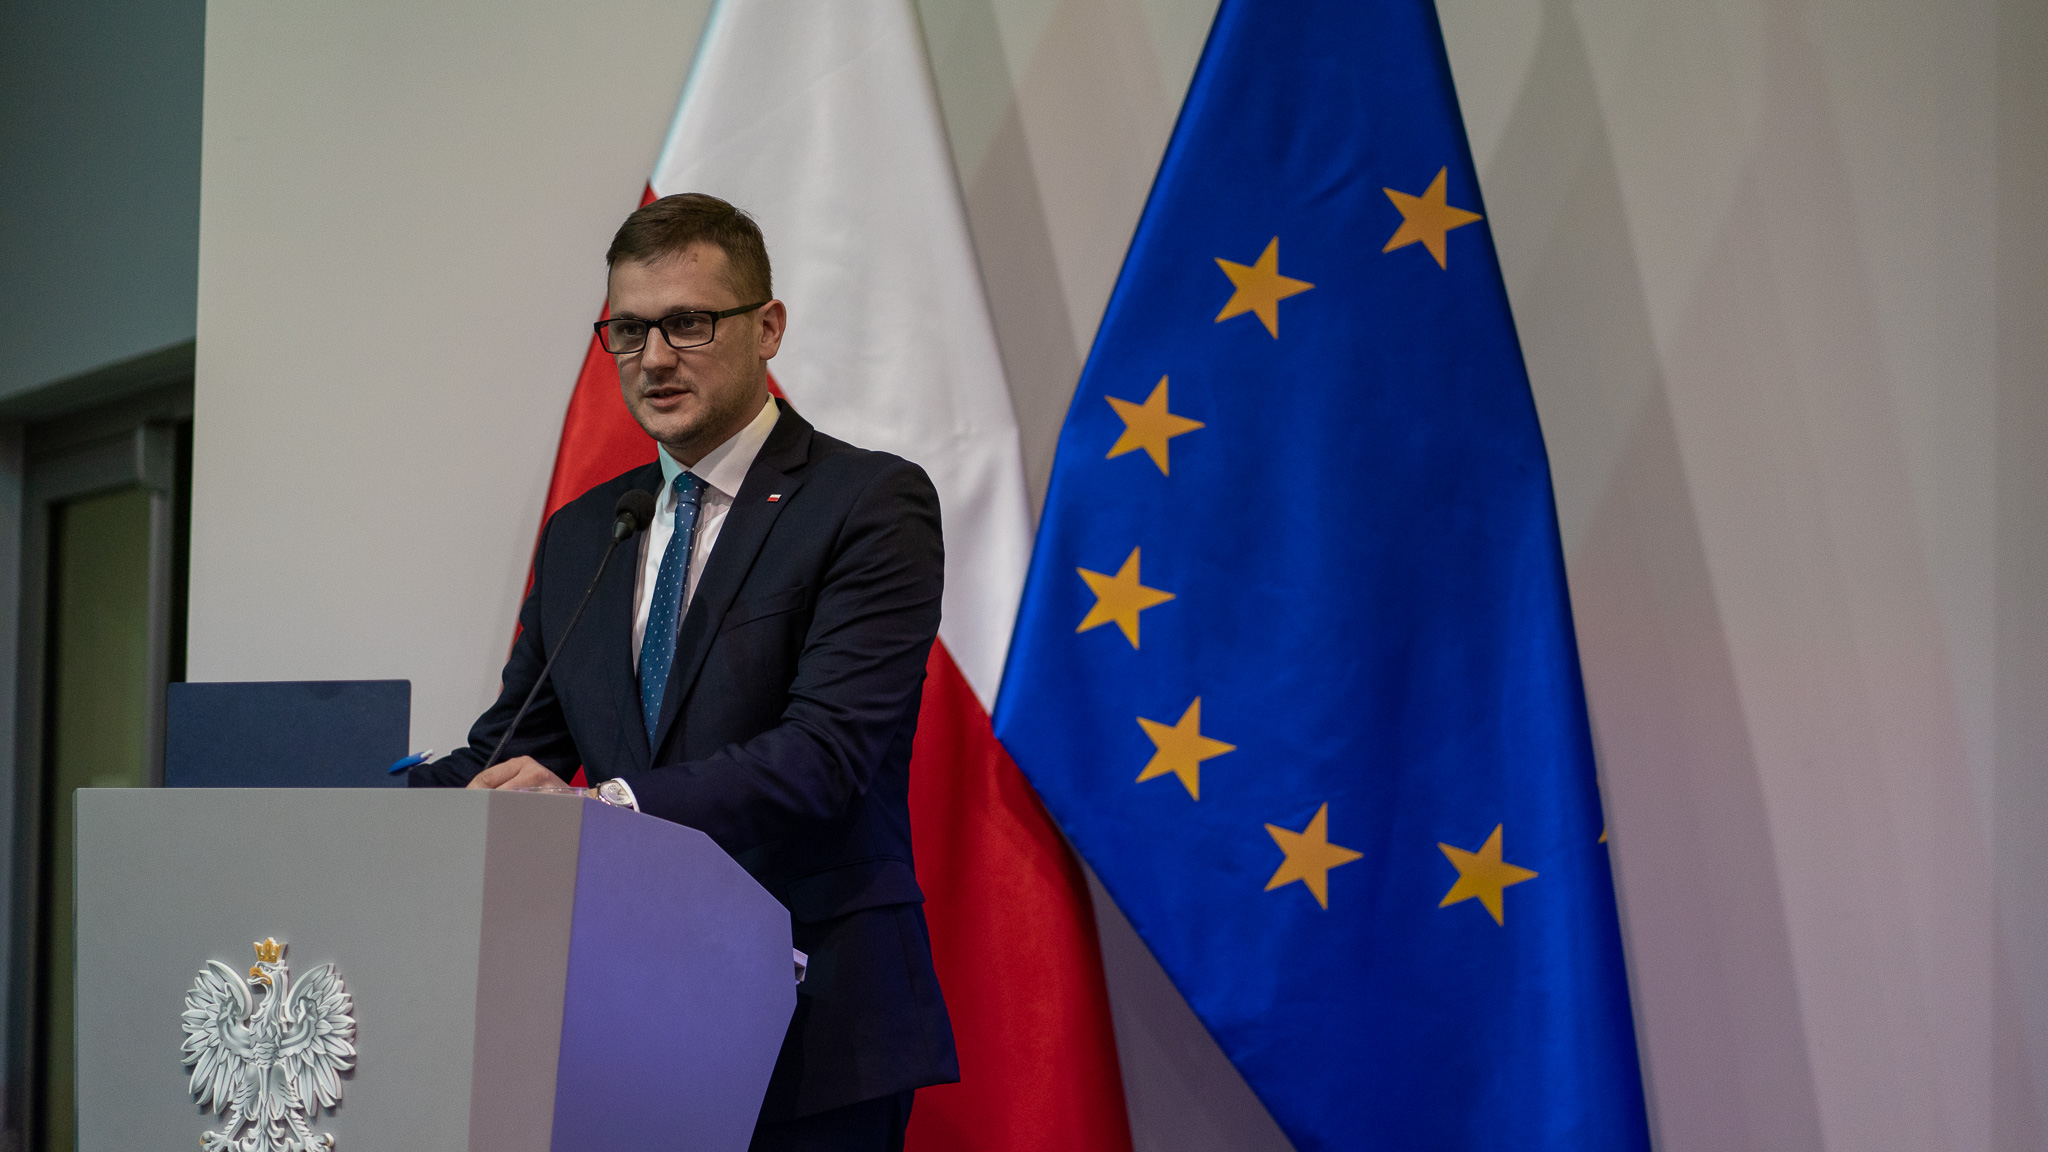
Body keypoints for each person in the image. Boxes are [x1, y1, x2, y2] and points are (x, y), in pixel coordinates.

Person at [410, 193, 957, 1151]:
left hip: (815, 1024)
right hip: (625, 1024)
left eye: (688, 323)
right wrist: (346, 808)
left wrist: (603, 811)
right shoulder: (586, 532)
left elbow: (826, 755)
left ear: (768, 327)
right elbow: (513, 751)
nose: (655, 357)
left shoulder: (868, 503)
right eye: (629, 330)